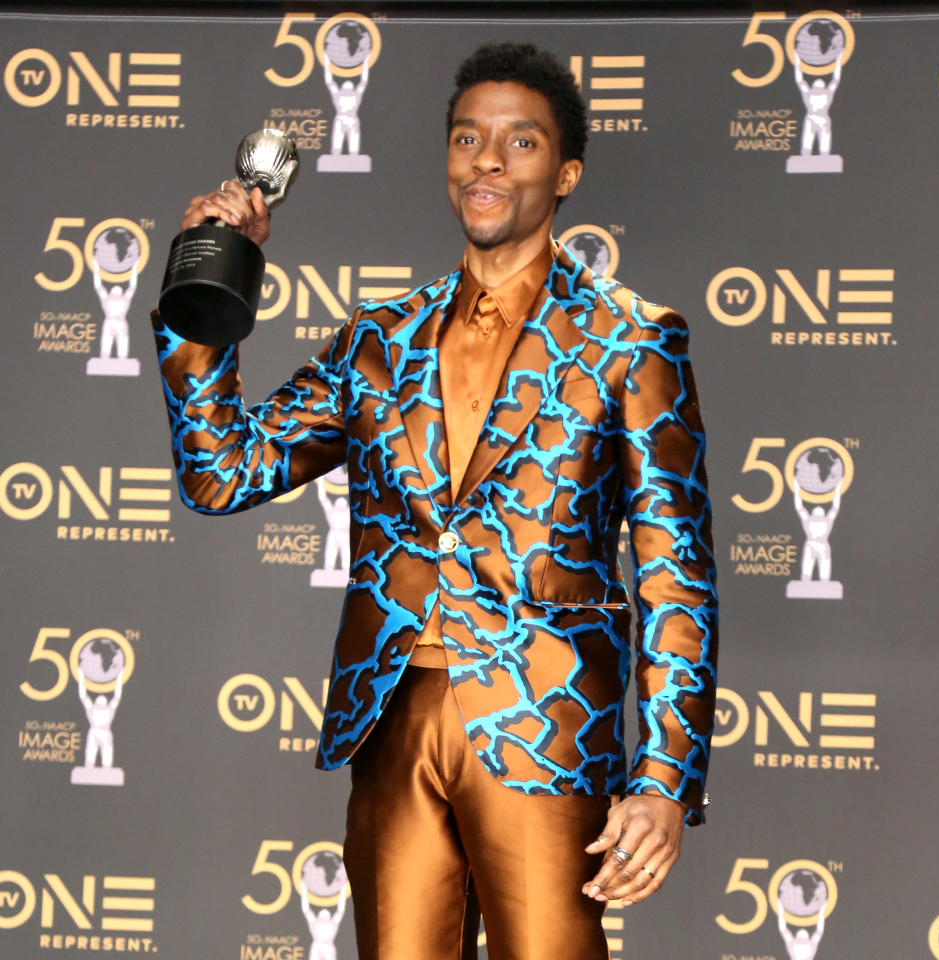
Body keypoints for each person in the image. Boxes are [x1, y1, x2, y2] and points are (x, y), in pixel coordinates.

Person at [153, 42, 717, 960]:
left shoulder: (632, 337)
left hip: (546, 719)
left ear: (566, 171)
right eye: (467, 139)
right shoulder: (376, 340)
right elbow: (222, 472)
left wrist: (662, 777)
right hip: (396, 717)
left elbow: (676, 574)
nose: (486, 160)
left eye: (519, 142)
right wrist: (205, 293)